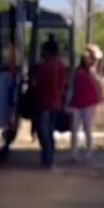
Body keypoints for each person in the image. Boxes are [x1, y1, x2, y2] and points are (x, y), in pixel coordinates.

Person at [33, 36, 67, 168]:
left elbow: (41, 83)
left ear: (48, 51)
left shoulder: (47, 65)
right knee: (50, 130)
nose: (42, 53)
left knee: (43, 130)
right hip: (56, 102)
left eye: (44, 50)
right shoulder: (60, 65)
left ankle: (47, 156)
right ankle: (50, 155)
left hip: (46, 102)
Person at [69, 45, 104, 163]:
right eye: (85, 57)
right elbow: (71, 87)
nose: (87, 59)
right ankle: (74, 153)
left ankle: (88, 152)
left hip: (89, 103)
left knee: (87, 128)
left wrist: (94, 49)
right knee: (74, 128)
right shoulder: (77, 71)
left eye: (89, 57)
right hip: (76, 102)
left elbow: (101, 58)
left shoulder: (93, 71)